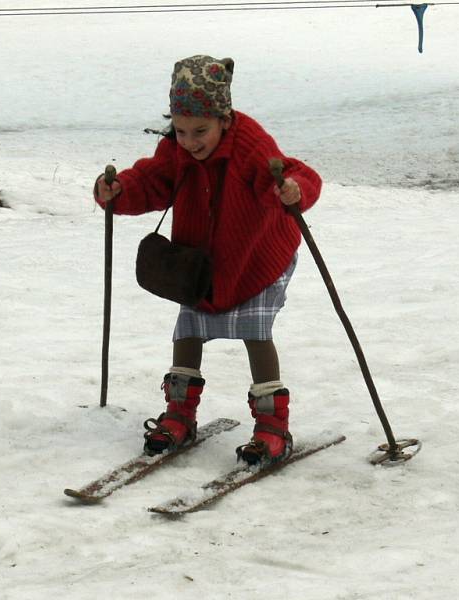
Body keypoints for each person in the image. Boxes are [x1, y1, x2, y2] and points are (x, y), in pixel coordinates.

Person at [94, 55, 322, 465]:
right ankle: (180, 413)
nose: (190, 141)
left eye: (200, 131)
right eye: (180, 131)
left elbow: (295, 173)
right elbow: (151, 181)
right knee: (189, 330)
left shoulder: (250, 144)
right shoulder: (176, 150)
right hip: (201, 263)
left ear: (224, 118)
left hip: (256, 258)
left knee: (254, 330)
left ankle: (273, 425)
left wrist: (291, 190)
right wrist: (119, 190)